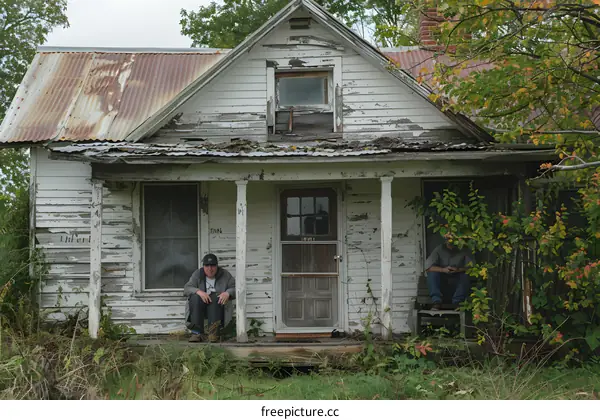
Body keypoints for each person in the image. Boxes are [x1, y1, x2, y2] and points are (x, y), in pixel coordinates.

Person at [184, 253, 236, 342]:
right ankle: (196, 333)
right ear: (203, 266)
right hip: (200, 306)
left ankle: (213, 333)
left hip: (217, 307)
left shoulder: (225, 275)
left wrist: (227, 293)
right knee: (195, 297)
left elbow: (235, 288)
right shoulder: (197, 274)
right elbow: (187, 288)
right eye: (207, 265)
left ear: (217, 266)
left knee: (216, 297)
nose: (210, 269)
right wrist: (199, 292)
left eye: (212, 265)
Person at [424, 234, 474, 310]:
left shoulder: (465, 249)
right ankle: (436, 302)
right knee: (432, 274)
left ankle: (458, 302)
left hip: (458, 284)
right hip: (443, 284)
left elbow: (473, 268)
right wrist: (443, 269)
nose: (451, 243)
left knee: (465, 275)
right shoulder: (439, 249)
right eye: (449, 240)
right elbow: (428, 267)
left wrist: (458, 270)